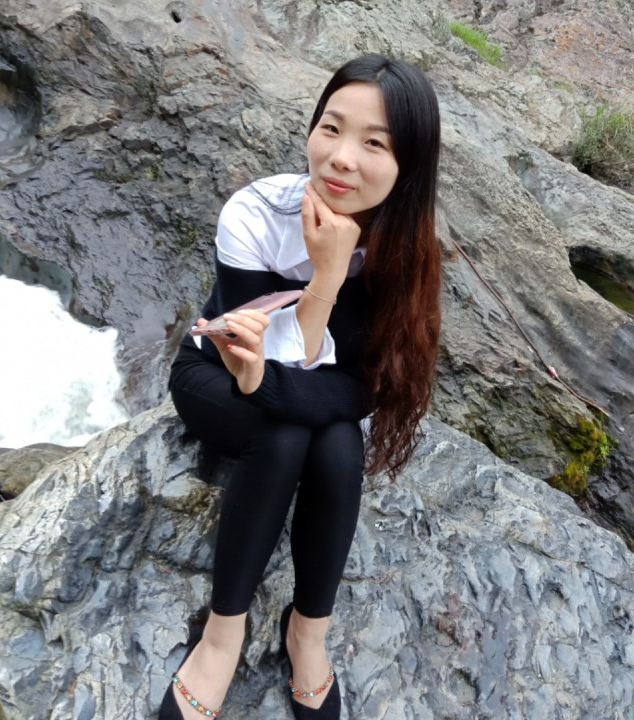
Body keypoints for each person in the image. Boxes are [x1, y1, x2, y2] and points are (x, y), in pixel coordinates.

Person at [161, 54, 441, 720]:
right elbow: (250, 363)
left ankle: (307, 630)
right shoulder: (257, 213)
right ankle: (222, 634)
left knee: (339, 447)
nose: (341, 158)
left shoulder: (406, 242)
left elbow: (372, 384)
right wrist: (326, 277)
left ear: (408, 165)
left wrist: (334, 284)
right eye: (331, 128)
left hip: (303, 385)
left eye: (374, 143)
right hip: (216, 373)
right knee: (286, 437)